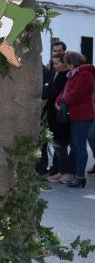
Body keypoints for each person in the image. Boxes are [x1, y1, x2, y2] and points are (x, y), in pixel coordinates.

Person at [56, 51, 95, 188]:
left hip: (84, 116)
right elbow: (65, 91)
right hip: (75, 115)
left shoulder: (85, 74)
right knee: (76, 146)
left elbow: (77, 93)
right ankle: (78, 175)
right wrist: (59, 100)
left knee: (80, 147)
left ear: (73, 63)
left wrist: (62, 102)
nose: (67, 67)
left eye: (67, 64)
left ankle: (79, 177)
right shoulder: (74, 74)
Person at [45, 54, 73, 184]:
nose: (55, 66)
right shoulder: (57, 74)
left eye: (57, 63)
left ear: (65, 64)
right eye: (54, 63)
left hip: (60, 116)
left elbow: (56, 93)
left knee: (60, 146)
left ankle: (67, 172)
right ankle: (61, 171)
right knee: (58, 146)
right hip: (53, 115)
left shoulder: (66, 76)